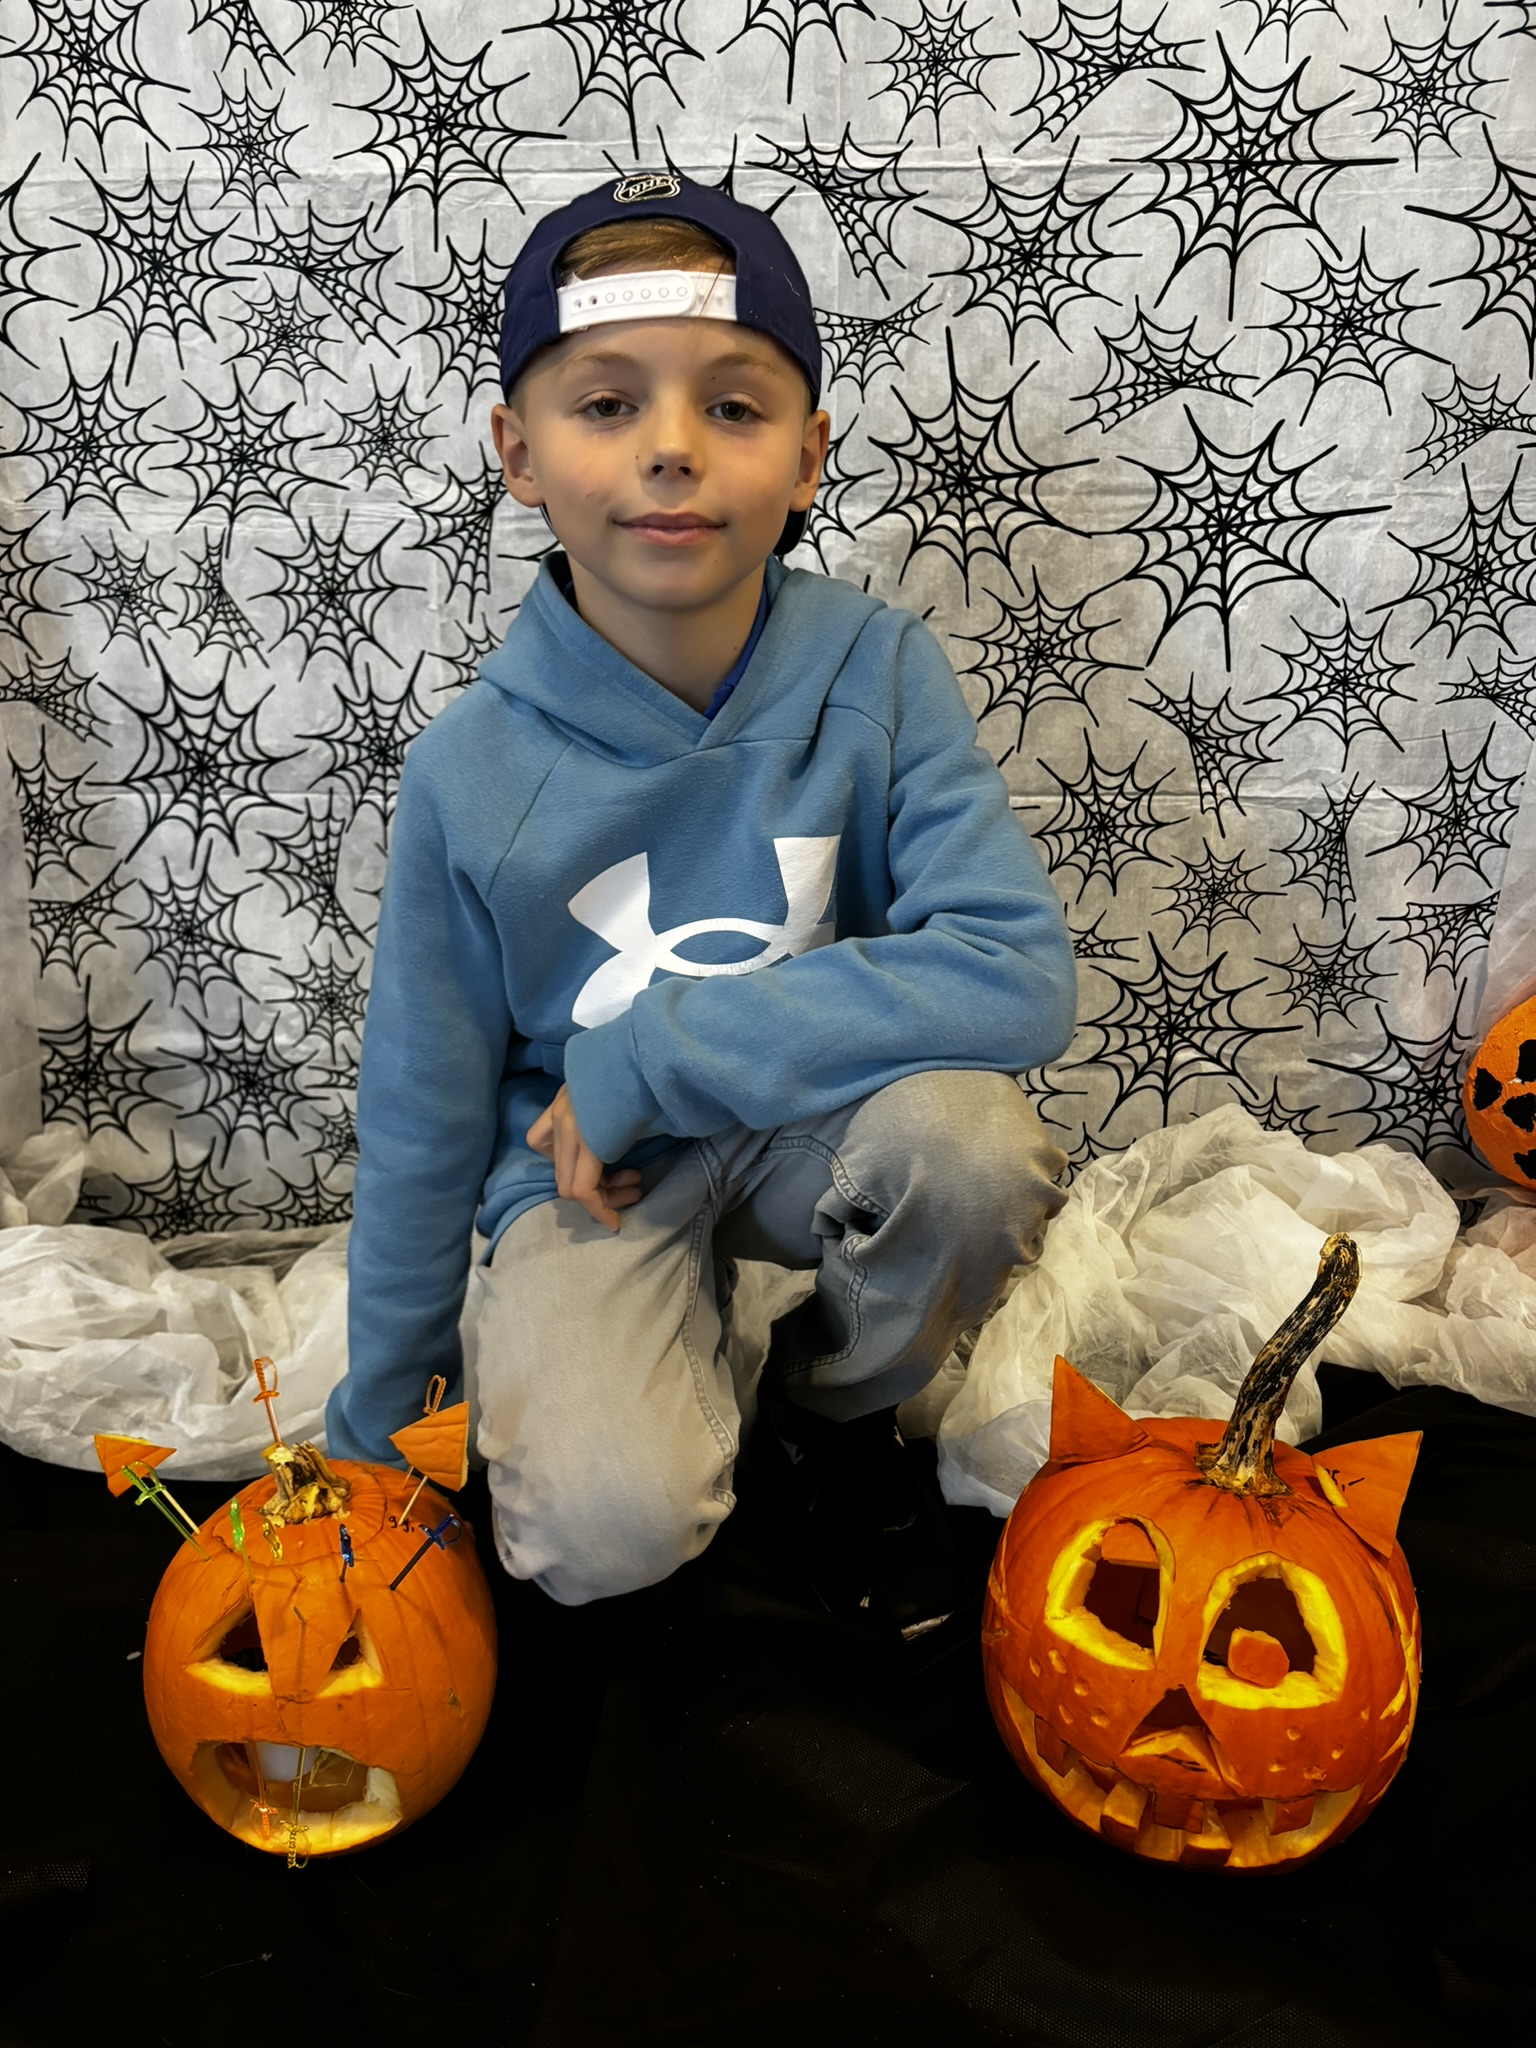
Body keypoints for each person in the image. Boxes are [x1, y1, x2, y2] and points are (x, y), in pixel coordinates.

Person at [323, 170, 1076, 1636]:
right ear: (517, 450)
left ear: (807, 458)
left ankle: (829, 1409)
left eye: (731, 406)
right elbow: (421, 1114)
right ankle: (653, 1364)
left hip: (817, 1127)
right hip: (589, 1170)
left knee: (972, 1153)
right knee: (601, 1537)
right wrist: (380, 1440)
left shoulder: (879, 670)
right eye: (608, 404)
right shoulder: (468, 771)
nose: (671, 447)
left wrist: (658, 1053)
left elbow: (1015, 974)